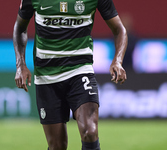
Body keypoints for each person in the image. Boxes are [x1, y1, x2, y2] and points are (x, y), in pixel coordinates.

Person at [13, 0, 127, 149]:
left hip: (80, 71)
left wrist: (117, 61)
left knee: (90, 132)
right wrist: (20, 64)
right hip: (46, 76)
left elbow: (119, 29)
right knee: (57, 145)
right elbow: (20, 28)